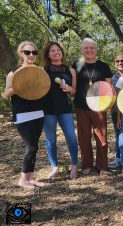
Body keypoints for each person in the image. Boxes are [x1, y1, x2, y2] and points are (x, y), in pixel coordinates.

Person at [2, 41, 46, 188]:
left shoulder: (39, 71)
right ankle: (22, 180)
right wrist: (18, 84)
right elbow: (6, 94)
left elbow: (44, 88)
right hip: (22, 114)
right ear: (21, 53)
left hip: (39, 112)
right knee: (31, 147)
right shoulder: (13, 72)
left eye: (34, 52)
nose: (31, 55)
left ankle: (31, 178)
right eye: (27, 52)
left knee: (35, 147)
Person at [72, 38, 113, 176]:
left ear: (96, 49)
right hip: (81, 106)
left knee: (101, 137)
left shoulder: (103, 66)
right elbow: (73, 87)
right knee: (83, 137)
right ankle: (87, 165)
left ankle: (102, 167)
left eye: (92, 48)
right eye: (86, 48)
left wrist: (108, 104)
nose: (89, 50)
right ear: (82, 49)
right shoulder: (76, 65)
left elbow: (109, 88)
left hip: (99, 107)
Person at [42, 42, 79, 179]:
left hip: (65, 109)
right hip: (48, 110)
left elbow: (74, 92)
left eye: (58, 50)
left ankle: (74, 166)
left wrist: (70, 89)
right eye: (52, 51)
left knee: (71, 138)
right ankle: (54, 167)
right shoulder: (43, 70)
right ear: (48, 54)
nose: (56, 52)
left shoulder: (71, 70)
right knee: (51, 140)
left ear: (62, 53)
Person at [108, 54, 123, 169]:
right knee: (119, 135)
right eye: (118, 61)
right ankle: (118, 158)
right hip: (116, 112)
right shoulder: (111, 79)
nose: (120, 63)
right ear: (115, 64)